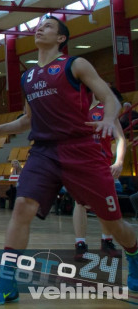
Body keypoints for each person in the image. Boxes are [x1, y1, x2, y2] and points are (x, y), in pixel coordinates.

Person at [0, 16, 138, 305]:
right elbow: (27, 119)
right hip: (44, 152)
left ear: (61, 38)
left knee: (113, 224)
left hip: (81, 150)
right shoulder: (28, 77)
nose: (40, 28)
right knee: (22, 207)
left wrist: (108, 119)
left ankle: (134, 252)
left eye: (48, 26)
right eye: (38, 26)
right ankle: (5, 283)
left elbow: (110, 98)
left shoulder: (75, 65)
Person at [72, 94, 126, 260]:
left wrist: (119, 162)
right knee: (80, 203)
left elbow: (120, 138)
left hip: (103, 164)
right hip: (81, 163)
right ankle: (80, 244)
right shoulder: (73, 110)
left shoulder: (106, 109)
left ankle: (107, 241)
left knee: (107, 202)